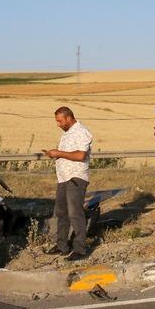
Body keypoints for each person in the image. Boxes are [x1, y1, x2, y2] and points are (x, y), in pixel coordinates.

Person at [43, 106, 93, 261]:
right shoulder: (67, 134)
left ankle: (80, 249)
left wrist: (58, 153)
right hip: (63, 178)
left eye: (60, 121)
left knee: (75, 213)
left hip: (75, 178)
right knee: (61, 213)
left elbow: (80, 155)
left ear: (69, 117)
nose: (58, 124)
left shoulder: (82, 132)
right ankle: (62, 245)